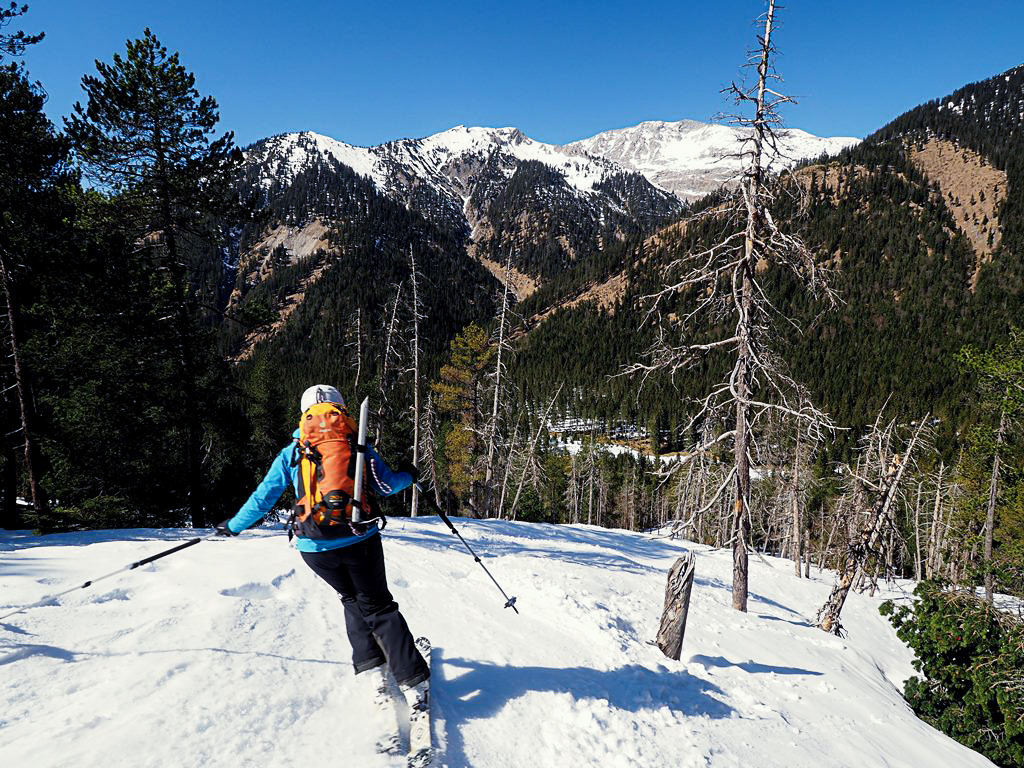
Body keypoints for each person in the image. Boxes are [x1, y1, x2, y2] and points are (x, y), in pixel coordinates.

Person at [215, 384, 429, 696]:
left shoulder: (292, 453)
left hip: (315, 549)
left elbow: (263, 499)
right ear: (341, 411)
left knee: (351, 599)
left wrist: (233, 526)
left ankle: (372, 671)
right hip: (359, 540)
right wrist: (409, 475)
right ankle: (413, 682)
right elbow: (386, 486)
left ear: (305, 416)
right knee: (379, 607)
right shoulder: (357, 448)